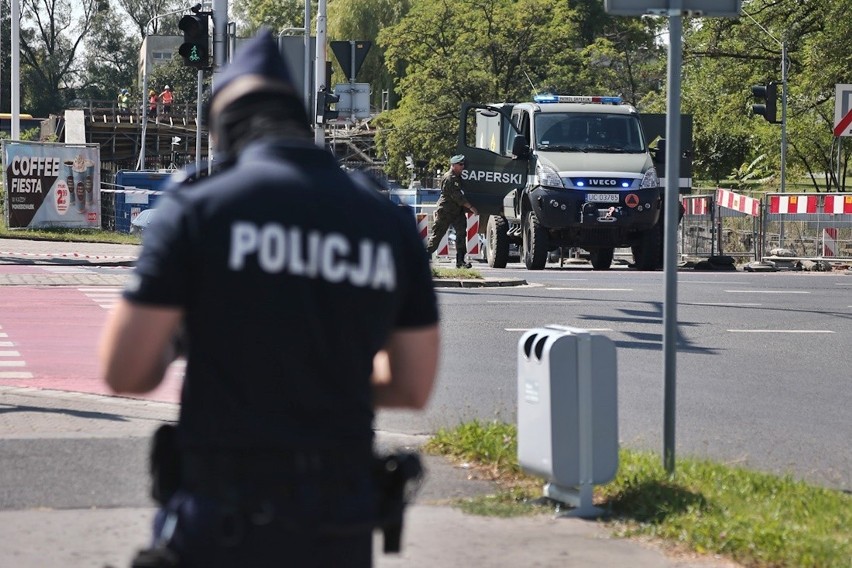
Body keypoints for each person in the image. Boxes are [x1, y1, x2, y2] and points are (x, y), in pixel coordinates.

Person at [99, 29, 439, 568]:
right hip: (338, 525)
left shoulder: (197, 210)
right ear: (300, 123)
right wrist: (323, 371)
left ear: (223, 128)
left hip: (221, 519)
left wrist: (191, 341)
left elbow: (126, 371)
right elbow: (412, 383)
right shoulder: (385, 222)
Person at [426, 154, 478, 268]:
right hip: (446, 211)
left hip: (456, 211)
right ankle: (422, 258)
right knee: (437, 235)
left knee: (461, 235)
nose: (462, 167)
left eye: (463, 164)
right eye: (460, 165)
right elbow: (457, 196)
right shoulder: (450, 178)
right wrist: (471, 207)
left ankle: (460, 262)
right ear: (453, 165)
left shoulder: (457, 176)